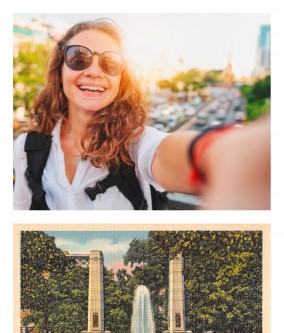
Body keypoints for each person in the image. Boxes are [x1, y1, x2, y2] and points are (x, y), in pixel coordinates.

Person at [13, 18, 270, 210]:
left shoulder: (134, 144)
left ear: (121, 79)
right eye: (78, 57)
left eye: (110, 62)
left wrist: (222, 153)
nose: (94, 71)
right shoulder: (27, 148)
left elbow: (165, 152)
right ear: (60, 70)